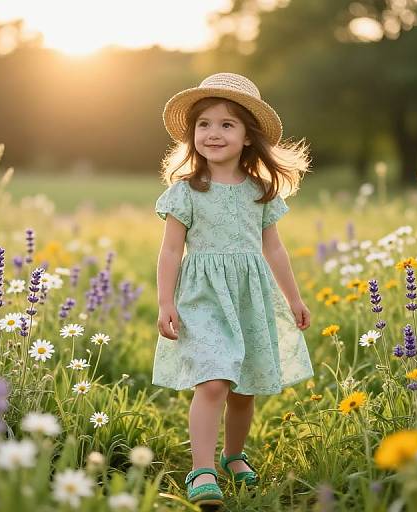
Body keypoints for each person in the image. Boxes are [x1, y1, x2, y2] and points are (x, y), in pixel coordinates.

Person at [153, 72, 314, 507]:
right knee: (213, 382)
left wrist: (294, 298)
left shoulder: (260, 191)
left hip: (248, 295)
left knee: (244, 387)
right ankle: (201, 470)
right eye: (204, 124)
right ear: (192, 135)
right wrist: (165, 301)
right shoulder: (185, 191)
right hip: (202, 298)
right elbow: (170, 252)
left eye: (227, 124)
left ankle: (233, 455)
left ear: (247, 137)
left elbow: (274, 249)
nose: (213, 133)